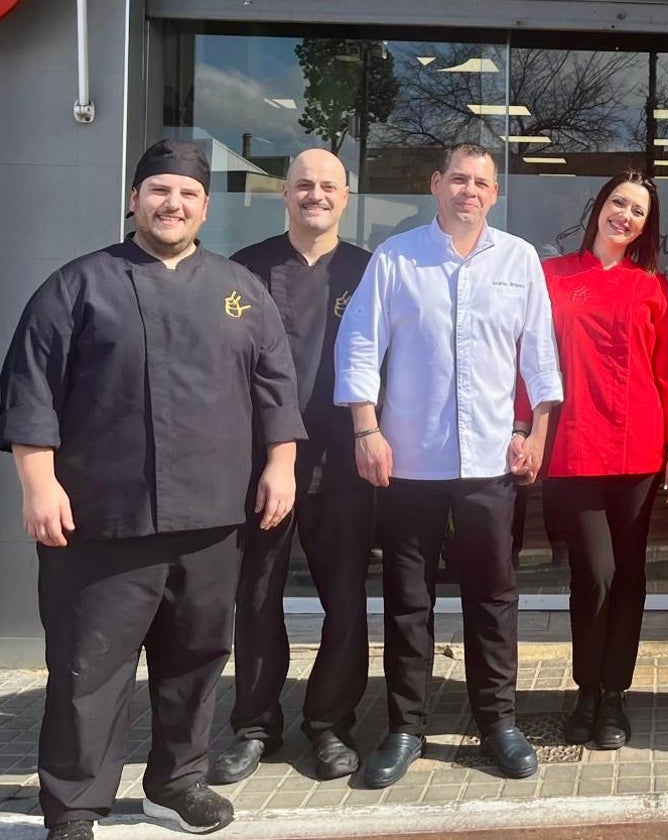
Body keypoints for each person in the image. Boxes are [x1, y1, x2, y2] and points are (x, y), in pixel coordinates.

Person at [0, 139, 305, 840]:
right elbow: (31, 392)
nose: (173, 205)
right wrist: (37, 483)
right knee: (88, 669)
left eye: (188, 195)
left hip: (212, 518)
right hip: (102, 520)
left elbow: (275, 389)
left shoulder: (238, 290)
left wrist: (280, 465)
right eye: (160, 191)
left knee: (195, 661)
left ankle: (176, 783)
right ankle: (74, 804)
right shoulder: (76, 286)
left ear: (204, 208)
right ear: (135, 199)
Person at [334, 143, 562, 786]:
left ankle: (498, 722)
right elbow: (358, 346)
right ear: (436, 186)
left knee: (494, 599)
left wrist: (536, 430)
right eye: (457, 179)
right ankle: (405, 727)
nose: (469, 190)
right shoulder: (396, 258)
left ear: (495, 193)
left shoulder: (518, 260)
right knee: (408, 603)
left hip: (491, 462)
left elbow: (540, 355)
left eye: (481, 182)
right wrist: (365, 429)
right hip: (408, 463)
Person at [210, 149, 374, 786]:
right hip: (260, 466)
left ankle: (331, 723)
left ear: (346, 196)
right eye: (304, 185)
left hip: (344, 463)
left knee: (345, 598)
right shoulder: (243, 271)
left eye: (328, 186)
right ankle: (254, 724)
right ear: (285, 192)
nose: (316, 195)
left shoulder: (369, 270)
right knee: (256, 597)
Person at [533, 171, 668, 750]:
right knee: (592, 573)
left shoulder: (651, 287)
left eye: (639, 211)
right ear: (598, 207)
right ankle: (585, 687)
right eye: (618, 203)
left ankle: (614, 695)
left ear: (647, 227)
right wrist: (526, 427)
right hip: (573, 446)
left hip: (638, 449)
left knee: (629, 575)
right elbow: (532, 357)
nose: (625, 215)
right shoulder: (551, 278)